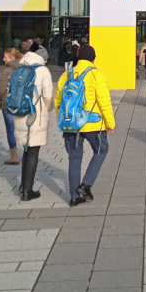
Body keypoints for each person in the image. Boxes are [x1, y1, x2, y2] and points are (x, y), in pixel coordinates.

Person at [55, 44, 116, 206]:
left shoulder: (65, 76)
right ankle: (86, 184)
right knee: (101, 150)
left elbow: (58, 102)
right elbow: (104, 102)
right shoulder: (96, 75)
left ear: (78, 57)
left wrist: (63, 121)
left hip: (71, 124)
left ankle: (74, 197)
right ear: (93, 58)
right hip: (92, 124)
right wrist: (110, 123)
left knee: (74, 158)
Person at [13, 48, 54, 200]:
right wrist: (48, 109)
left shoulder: (20, 67)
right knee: (33, 152)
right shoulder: (43, 70)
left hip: (19, 113)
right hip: (35, 114)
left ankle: (23, 185)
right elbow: (48, 97)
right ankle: (27, 191)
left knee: (26, 150)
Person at [0, 48, 23, 165]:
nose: (3, 59)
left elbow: (2, 89)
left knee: (11, 129)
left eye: (5, 57)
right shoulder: (24, 69)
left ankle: (14, 155)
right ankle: (28, 152)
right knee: (23, 128)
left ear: (12, 58)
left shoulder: (7, 71)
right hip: (22, 103)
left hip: (8, 103)